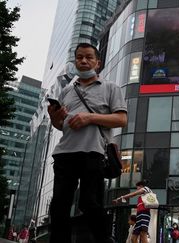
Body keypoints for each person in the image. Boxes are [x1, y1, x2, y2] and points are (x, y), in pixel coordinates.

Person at [47, 42, 128, 243]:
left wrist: (89, 118)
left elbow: (121, 119)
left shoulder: (111, 88)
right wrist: (55, 118)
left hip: (93, 153)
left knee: (90, 203)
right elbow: (61, 125)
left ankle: (105, 239)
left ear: (97, 63)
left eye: (89, 57)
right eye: (79, 57)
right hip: (64, 153)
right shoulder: (66, 91)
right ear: (75, 61)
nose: (83, 61)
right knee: (59, 206)